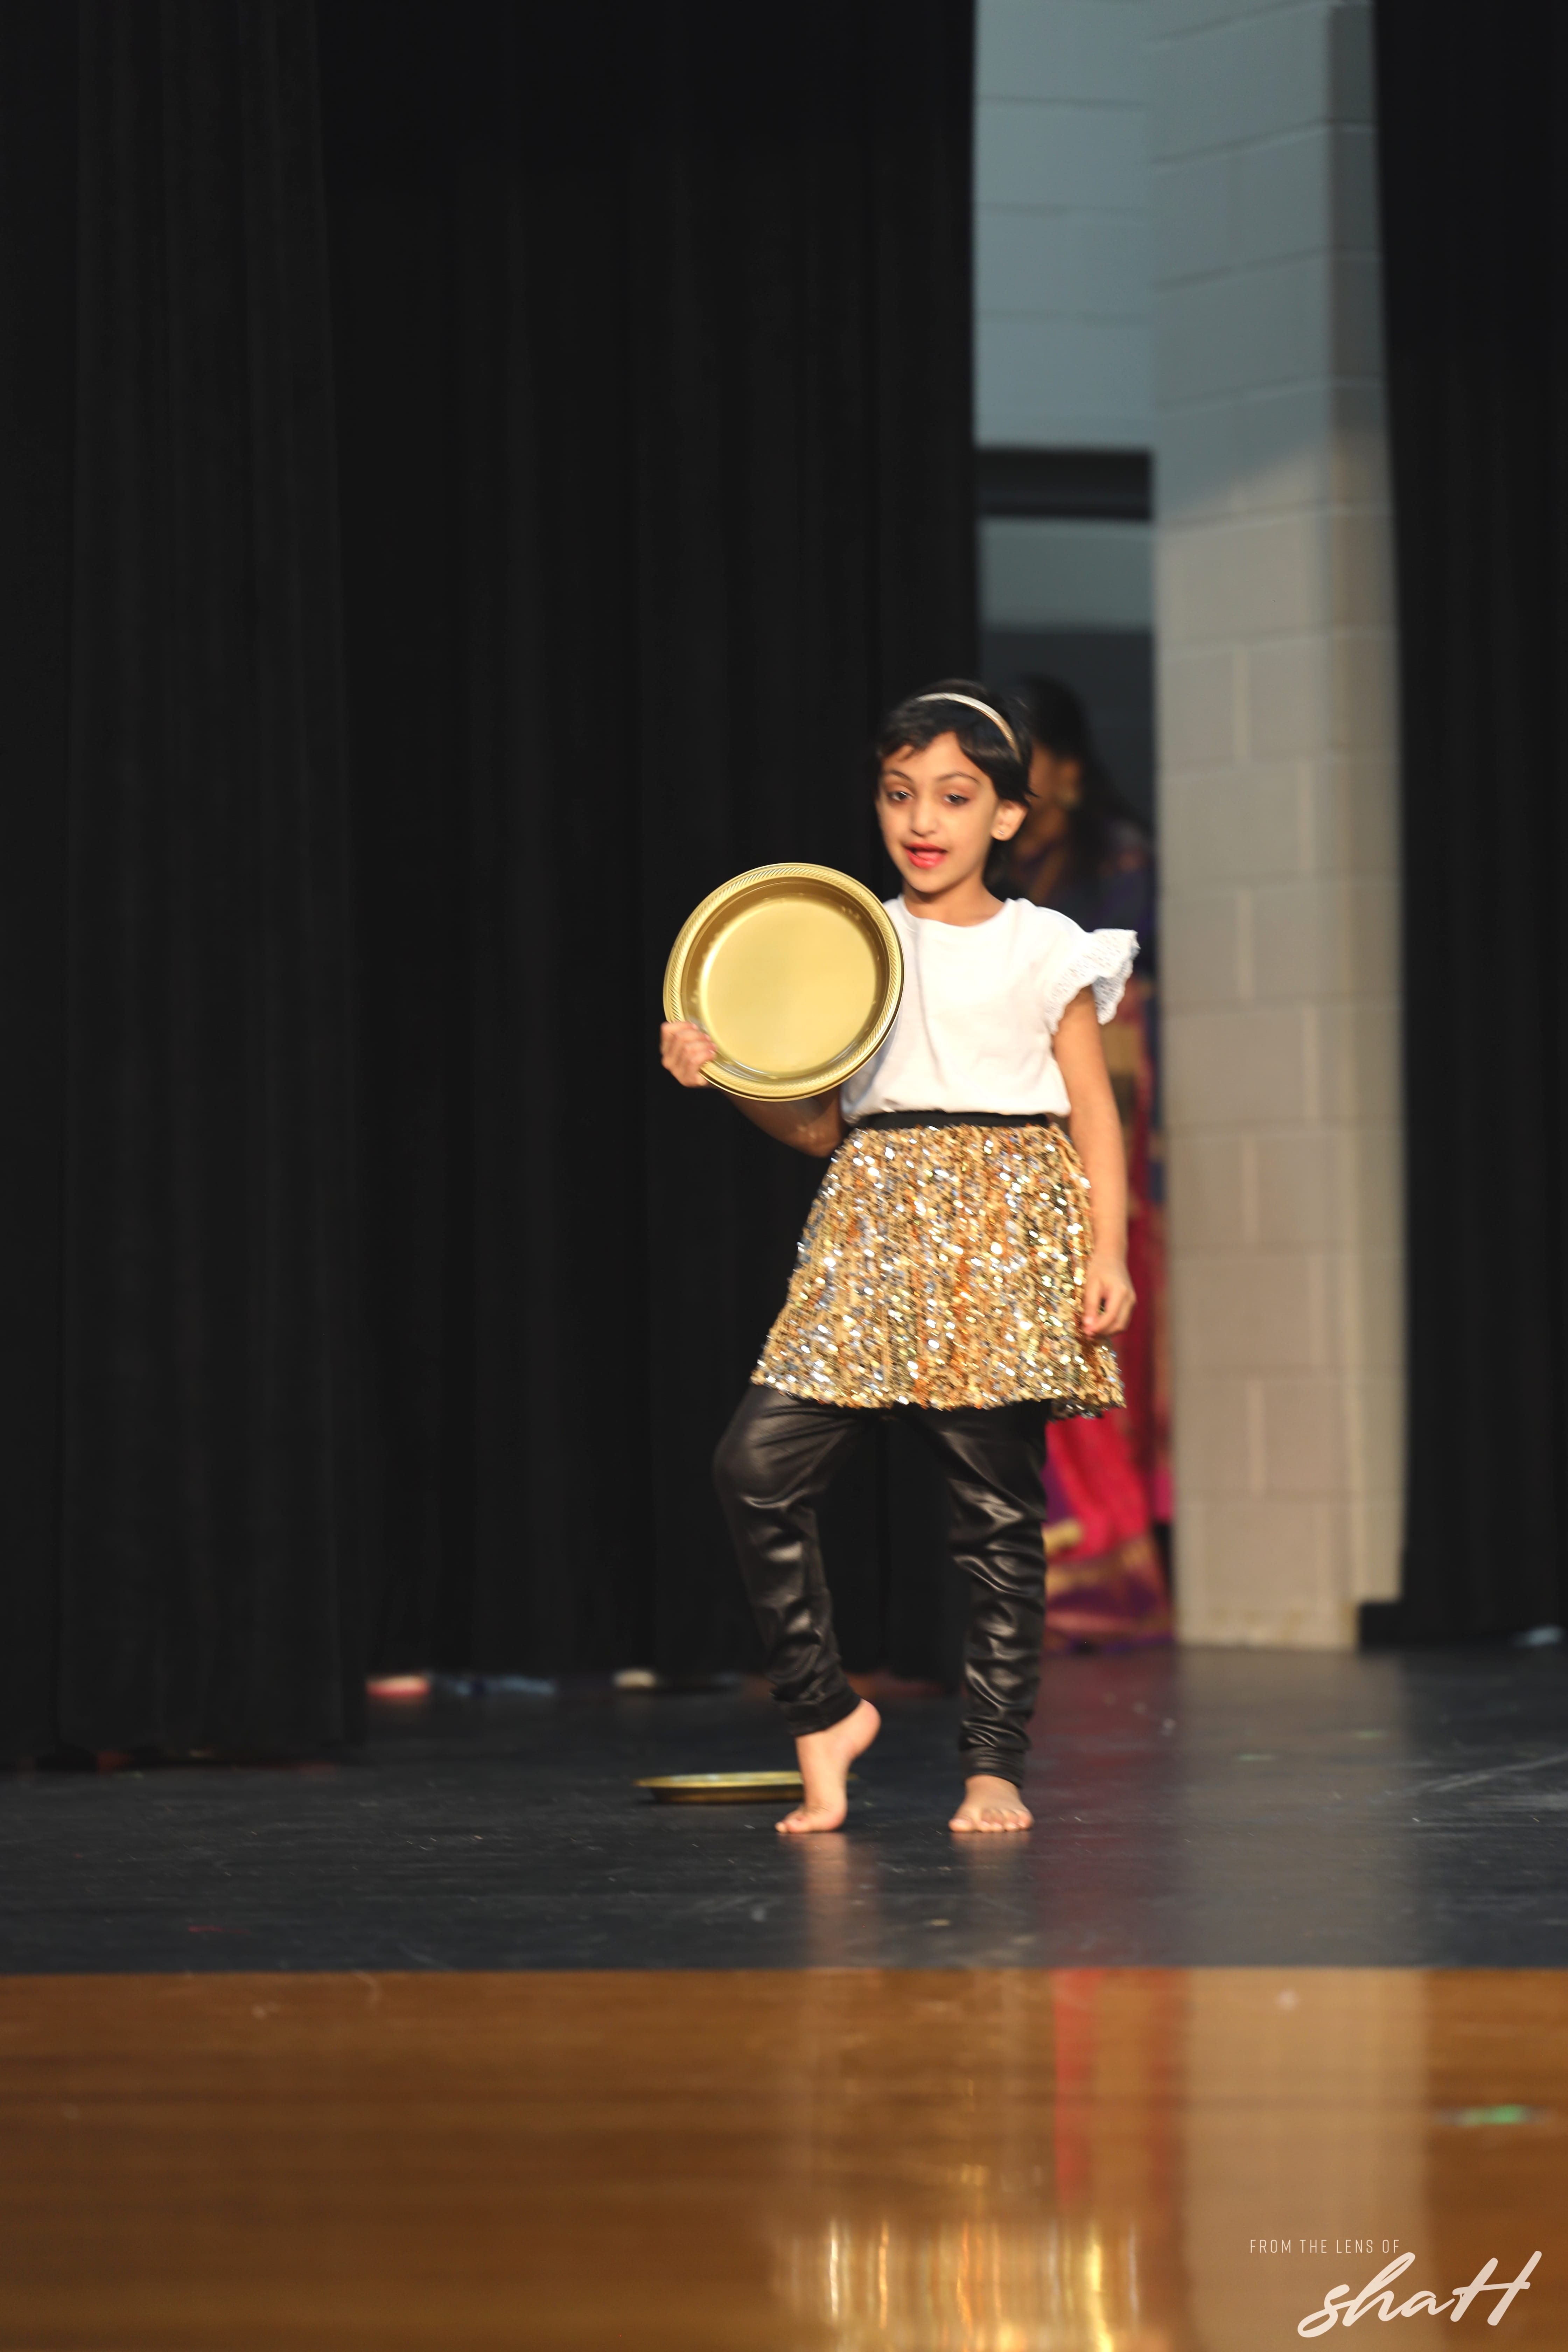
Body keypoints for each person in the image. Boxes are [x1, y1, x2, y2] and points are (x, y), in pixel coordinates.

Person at [660, 681, 1137, 1834]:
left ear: (1007, 815)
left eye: (956, 797)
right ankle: (824, 1713)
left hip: (1000, 1226)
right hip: (871, 1223)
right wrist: (724, 1075)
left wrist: (1109, 1250)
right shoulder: (854, 940)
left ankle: (993, 1766)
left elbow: (1093, 1108)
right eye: (899, 793)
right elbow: (819, 1127)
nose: (924, 820)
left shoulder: (1044, 946)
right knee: (754, 1467)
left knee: (995, 1520)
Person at [1002, 676, 1171, 1649]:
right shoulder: (992, 867)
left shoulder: (1113, 861)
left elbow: (1125, 1022)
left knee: (1090, 1323)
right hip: (1014, 1130)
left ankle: (1104, 1571)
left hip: (1095, 1123)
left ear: (1065, 767)